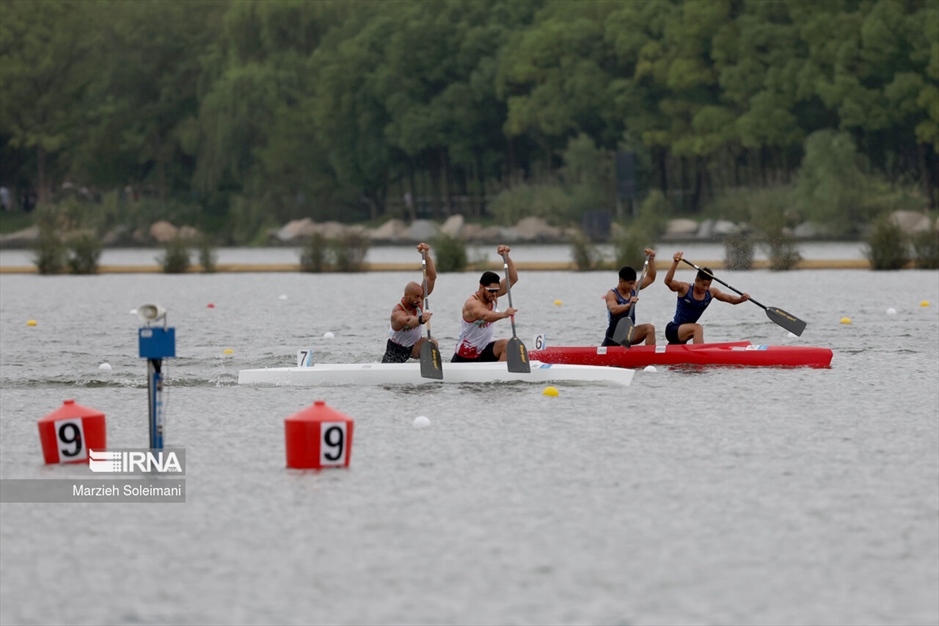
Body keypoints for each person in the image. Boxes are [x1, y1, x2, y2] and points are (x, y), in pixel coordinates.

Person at [662, 251, 750, 344]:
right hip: (673, 329)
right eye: (704, 285)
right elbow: (668, 281)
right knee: (697, 328)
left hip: (685, 333)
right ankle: (701, 356)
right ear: (696, 280)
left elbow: (730, 299)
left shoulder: (711, 293)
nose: (706, 288)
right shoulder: (685, 288)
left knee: (692, 333)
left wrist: (741, 299)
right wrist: (675, 263)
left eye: (708, 285)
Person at [452, 245, 519, 362]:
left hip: (484, 350)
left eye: (496, 291)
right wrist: (504, 314)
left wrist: (506, 257)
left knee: (506, 345)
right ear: (482, 287)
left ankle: (500, 375)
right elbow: (485, 316)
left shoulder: (492, 296)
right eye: (491, 291)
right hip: (465, 355)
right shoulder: (471, 304)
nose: (494, 294)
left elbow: (512, 279)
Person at [381, 242, 438, 363]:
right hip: (396, 351)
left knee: (432, 343)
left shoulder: (419, 302)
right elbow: (407, 321)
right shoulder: (397, 312)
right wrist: (420, 320)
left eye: (420, 296)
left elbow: (431, 276)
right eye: (416, 297)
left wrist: (426, 255)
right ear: (406, 296)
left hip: (414, 346)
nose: (419, 299)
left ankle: (429, 368)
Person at [602, 248, 657, 346]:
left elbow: (650, 278)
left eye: (633, 283)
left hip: (628, 333)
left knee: (650, 328)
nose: (632, 286)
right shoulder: (612, 294)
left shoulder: (634, 288)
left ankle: (650, 358)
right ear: (621, 281)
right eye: (630, 284)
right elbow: (614, 309)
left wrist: (651, 258)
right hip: (614, 336)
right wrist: (628, 305)